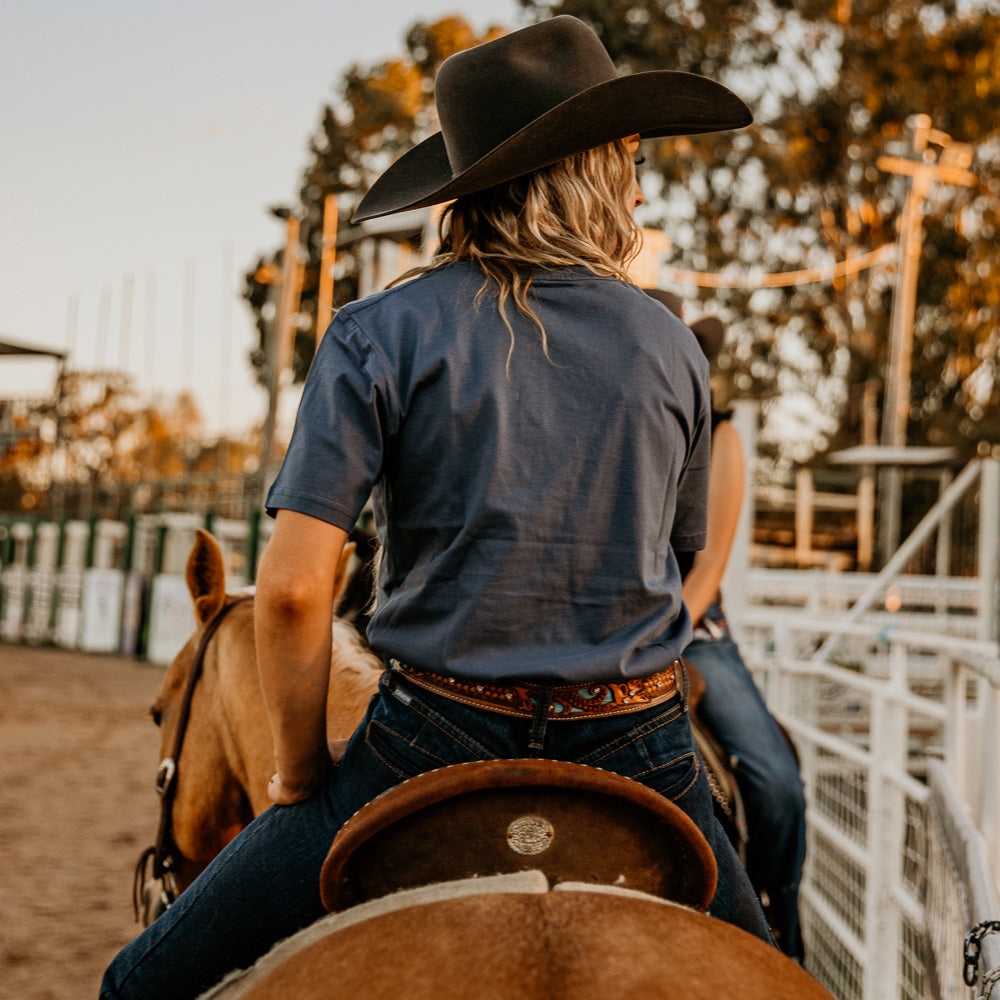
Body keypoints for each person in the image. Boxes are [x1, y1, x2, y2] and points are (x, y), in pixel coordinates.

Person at [102, 17, 769, 999]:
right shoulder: (671, 347)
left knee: (137, 985)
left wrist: (296, 777)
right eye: (626, 158)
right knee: (778, 973)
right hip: (640, 743)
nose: (637, 184)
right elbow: (677, 558)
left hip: (432, 740)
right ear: (580, 168)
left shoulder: (379, 332)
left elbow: (290, 594)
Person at [644, 288, 807, 961]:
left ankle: (778, 926)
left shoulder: (721, 433)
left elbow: (707, 570)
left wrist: (654, 638)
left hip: (688, 629)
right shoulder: (623, 422)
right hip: (611, 630)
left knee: (773, 780)